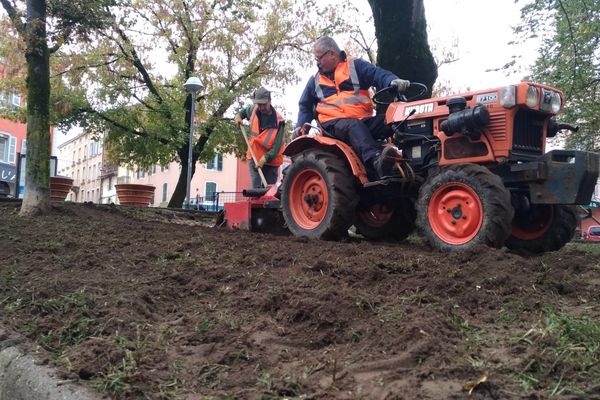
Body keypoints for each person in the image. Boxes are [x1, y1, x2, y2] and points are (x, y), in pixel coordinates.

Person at [296, 36, 410, 180]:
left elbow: (376, 74)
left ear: (331, 54)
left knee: (395, 120)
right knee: (353, 125)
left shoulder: (355, 66)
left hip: (363, 119)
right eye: (316, 60)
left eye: (319, 59)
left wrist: (391, 81)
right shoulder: (315, 80)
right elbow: (304, 105)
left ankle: (412, 161)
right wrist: (300, 127)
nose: (317, 63)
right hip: (332, 123)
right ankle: (376, 160)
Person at [234, 87, 286, 188]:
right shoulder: (253, 110)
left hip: (271, 161)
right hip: (254, 155)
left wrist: (265, 159)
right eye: (259, 104)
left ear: (269, 101)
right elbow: (243, 112)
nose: (261, 107)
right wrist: (239, 116)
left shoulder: (279, 121)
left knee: (269, 190)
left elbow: (276, 147)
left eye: (264, 104)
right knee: (256, 189)